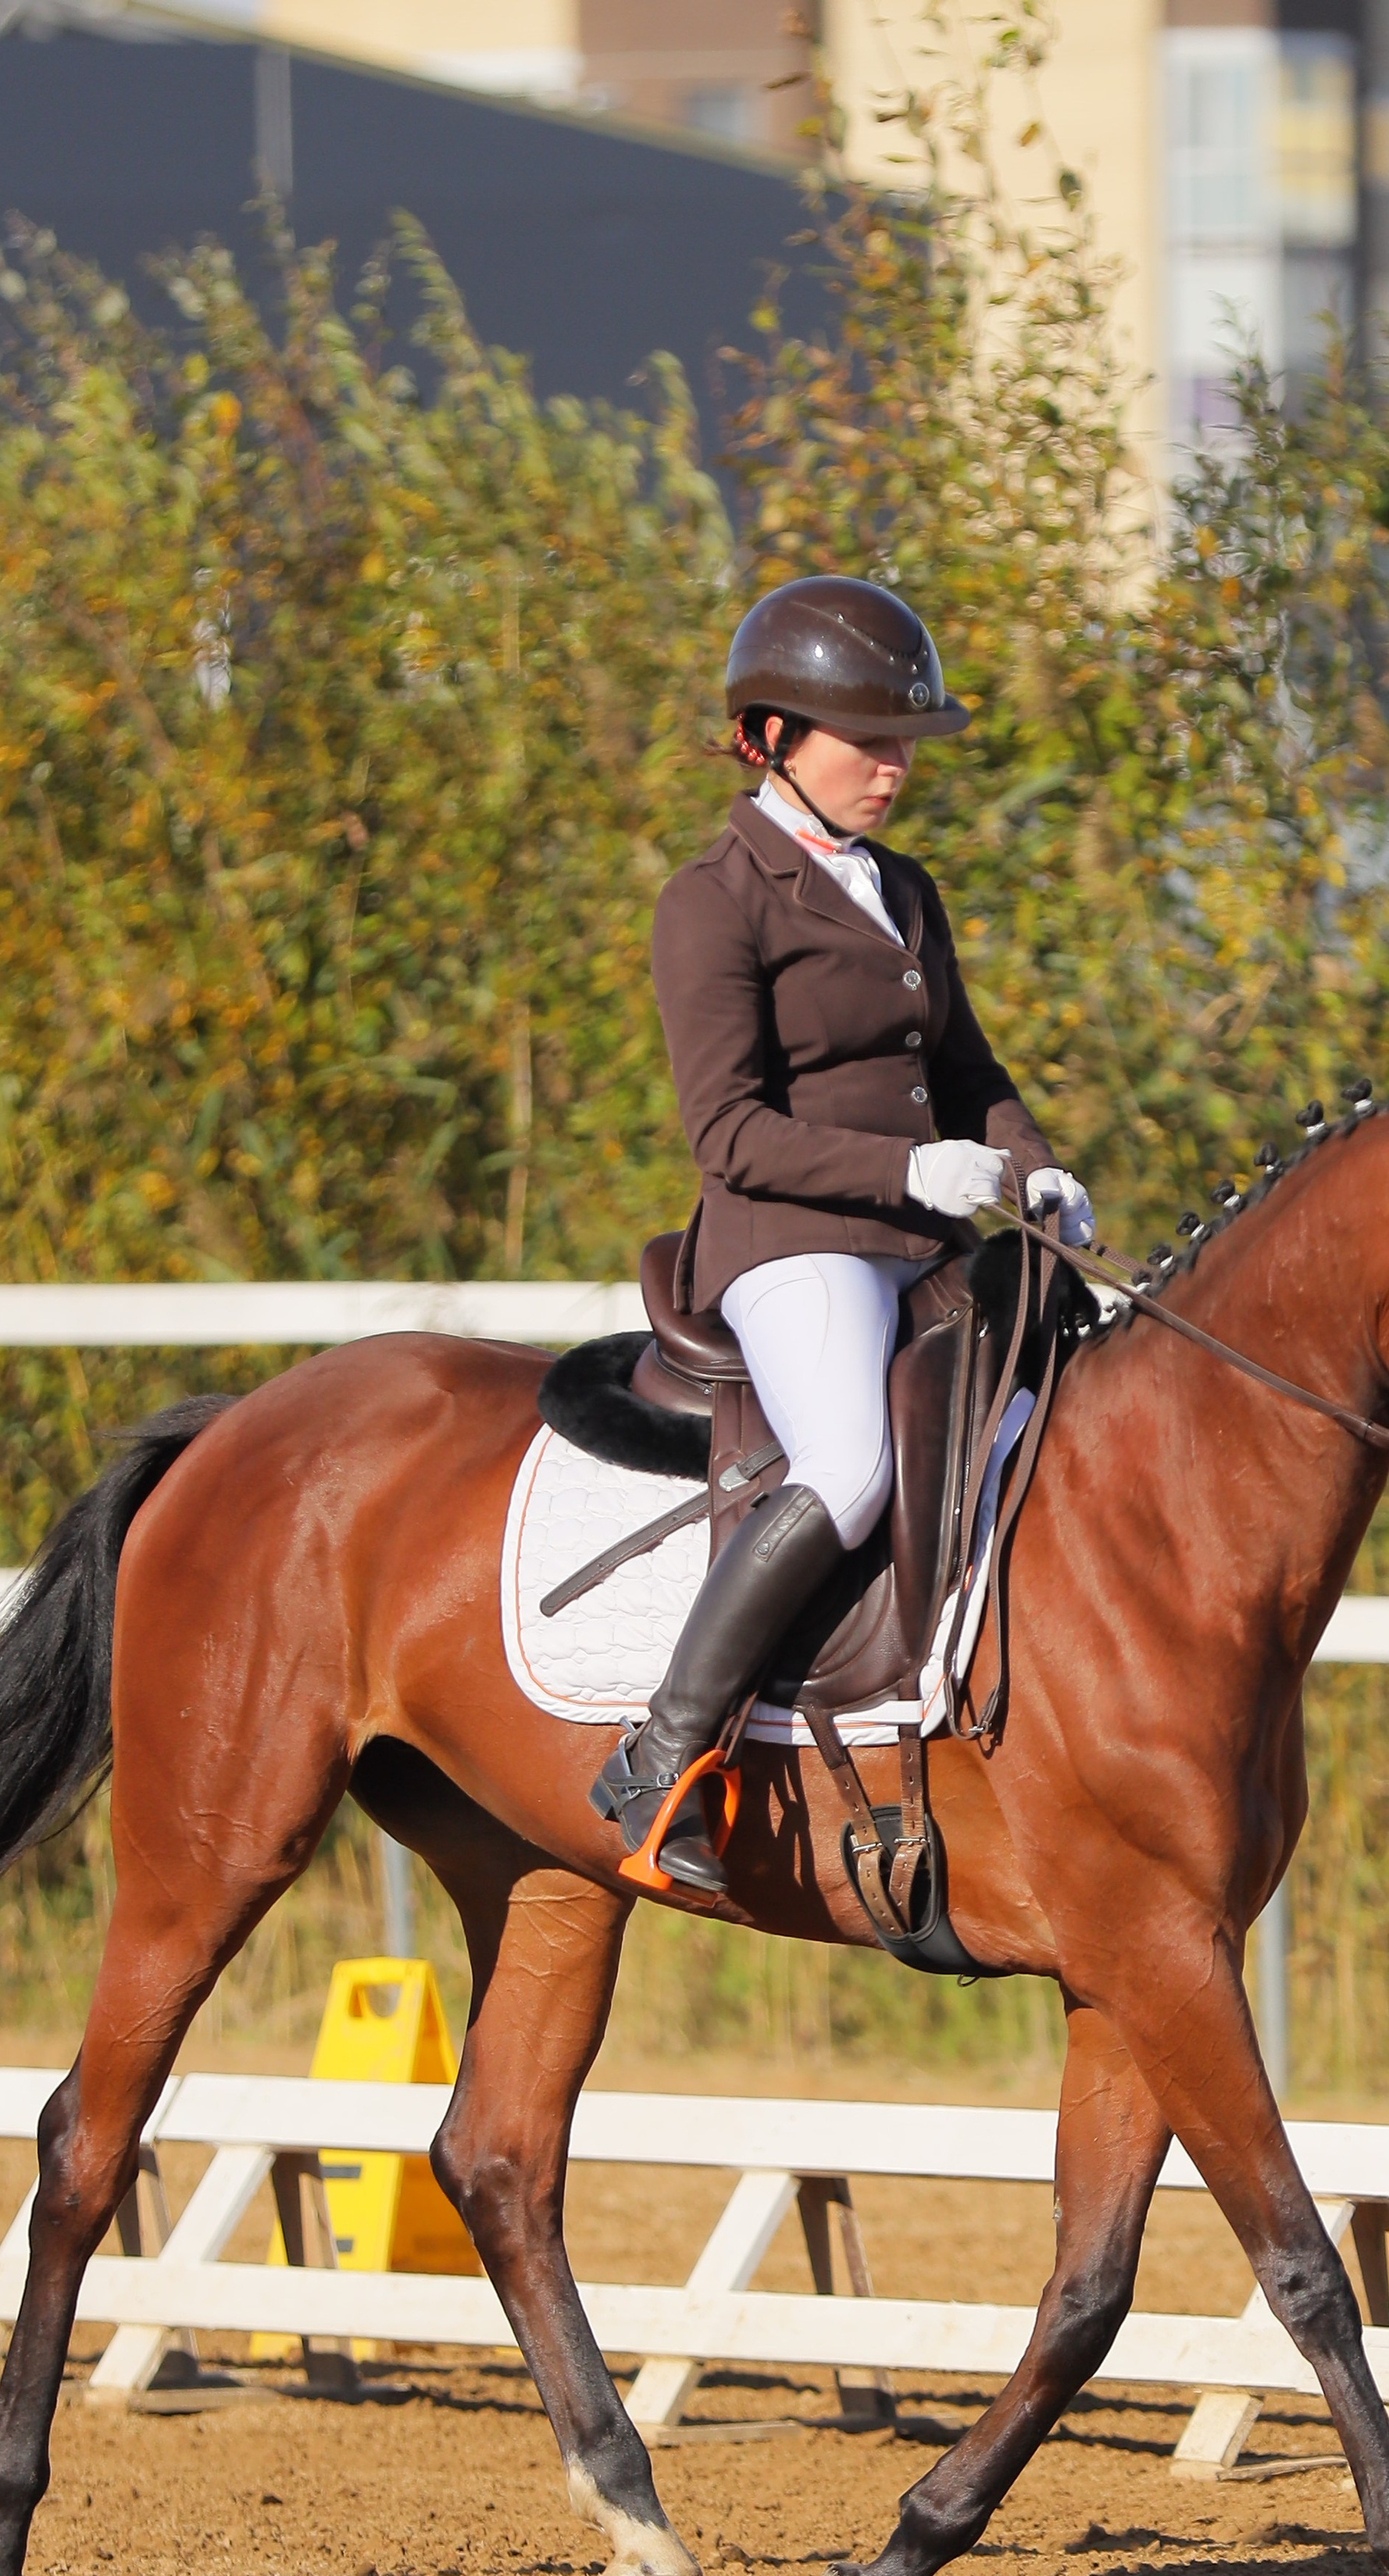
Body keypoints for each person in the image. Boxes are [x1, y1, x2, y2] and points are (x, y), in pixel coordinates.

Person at [591, 575, 1094, 1894]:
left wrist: (1037, 1174)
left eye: (903, 746)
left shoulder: (902, 890)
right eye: (867, 745)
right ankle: (663, 1754)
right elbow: (730, 1135)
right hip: (792, 1241)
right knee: (852, 1462)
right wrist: (911, 1171)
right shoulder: (714, 899)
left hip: (916, 1240)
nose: (893, 770)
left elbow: (974, 1071)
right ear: (770, 739)